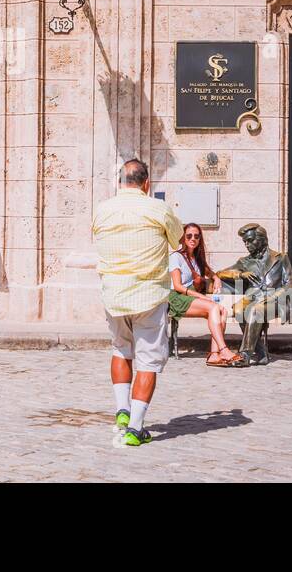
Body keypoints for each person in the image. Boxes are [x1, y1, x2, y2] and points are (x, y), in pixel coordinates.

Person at [90, 158, 183, 447]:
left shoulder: (103, 210)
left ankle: (122, 409)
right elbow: (177, 241)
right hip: (148, 295)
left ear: (120, 181)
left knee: (121, 349)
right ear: (146, 183)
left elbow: (96, 236)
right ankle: (135, 428)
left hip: (114, 294)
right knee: (148, 360)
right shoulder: (158, 209)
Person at [168, 223, 241, 367]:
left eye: (196, 236)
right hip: (177, 298)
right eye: (189, 236)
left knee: (222, 311)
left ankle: (214, 355)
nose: (193, 239)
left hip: (192, 298)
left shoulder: (197, 259)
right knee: (214, 308)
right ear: (183, 238)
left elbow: (210, 272)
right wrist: (201, 296)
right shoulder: (176, 257)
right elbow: (177, 286)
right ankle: (224, 350)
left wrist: (216, 278)